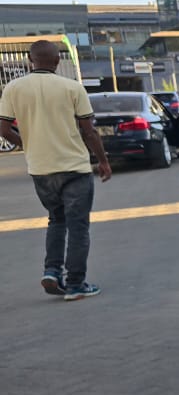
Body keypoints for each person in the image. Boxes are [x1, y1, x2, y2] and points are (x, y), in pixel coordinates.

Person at [0, 40, 112, 300]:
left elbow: (4, 129)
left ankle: (52, 271)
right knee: (78, 226)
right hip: (74, 167)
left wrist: (28, 145)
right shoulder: (72, 88)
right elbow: (89, 130)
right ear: (58, 61)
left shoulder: (12, 88)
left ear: (31, 60)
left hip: (40, 169)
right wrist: (103, 161)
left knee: (56, 219)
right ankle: (75, 284)